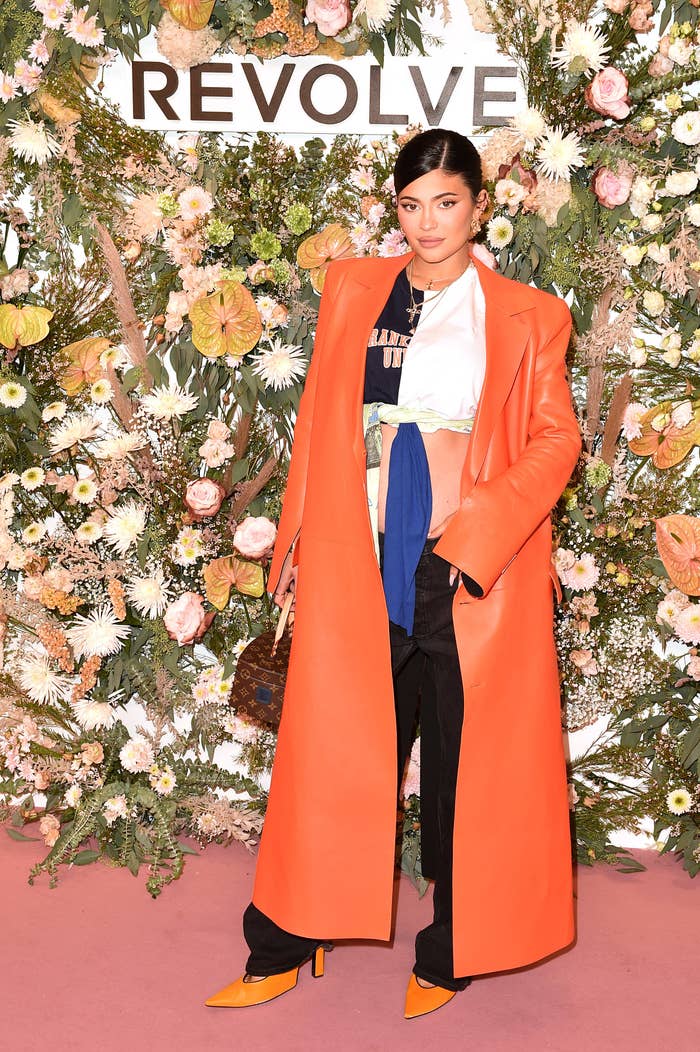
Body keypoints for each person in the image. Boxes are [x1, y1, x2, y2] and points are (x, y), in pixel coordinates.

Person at [205, 128, 582, 1019]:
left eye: (445, 203)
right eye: (410, 205)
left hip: (464, 567)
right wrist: (295, 544)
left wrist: (478, 532)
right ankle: (286, 942)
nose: (426, 223)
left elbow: (555, 439)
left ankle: (448, 954)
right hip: (362, 553)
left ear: (480, 207)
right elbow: (315, 422)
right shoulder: (358, 290)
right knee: (337, 754)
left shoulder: (527, 312)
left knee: (461, 767)